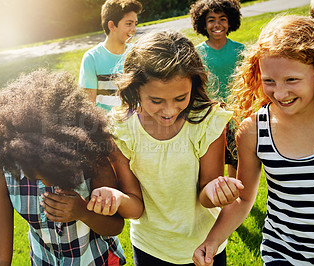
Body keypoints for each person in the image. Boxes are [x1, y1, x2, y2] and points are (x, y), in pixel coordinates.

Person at [193, 15, 314, 265]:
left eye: (292, 80)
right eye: (269, 81)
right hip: (282, 254)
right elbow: (244, 198)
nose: (279, 93)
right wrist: (212, 241)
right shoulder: (253, 131)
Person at [87, 31, 244, 265]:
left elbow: (205, 195)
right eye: (157, 101)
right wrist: (117, 198)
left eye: (181, 98)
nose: (169, 111)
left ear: (194, 83)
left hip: (204, 245)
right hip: (150, 248)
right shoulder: (120, 130)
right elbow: (135, 208)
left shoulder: (208, 121)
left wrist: (216, 191)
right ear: (135, 88)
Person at [0, 69, 126, 265]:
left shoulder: (93, 157)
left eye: (52, 173)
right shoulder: (3, 168)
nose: (46, 182)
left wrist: (83, 212)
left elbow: (115, 226)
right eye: (35, 175)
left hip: (97, 260)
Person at [190, 0, 245, 178]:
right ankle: (213, 197)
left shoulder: (241, 50)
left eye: (222, 19)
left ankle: (236, 197)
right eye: (211, 20)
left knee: (236, 160)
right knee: (211, 162)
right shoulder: (196, 53)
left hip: (236, 116)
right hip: (209, 116)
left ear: (230, 22)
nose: (217, 24)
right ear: (203, 25)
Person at [79, 0, 142, 111]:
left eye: (135, 24)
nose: (134, 29)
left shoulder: (137, 52)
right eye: (129, 23)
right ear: (112, 25)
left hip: (134, 124)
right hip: (107, 125)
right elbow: (89, 104)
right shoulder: (91, 58)